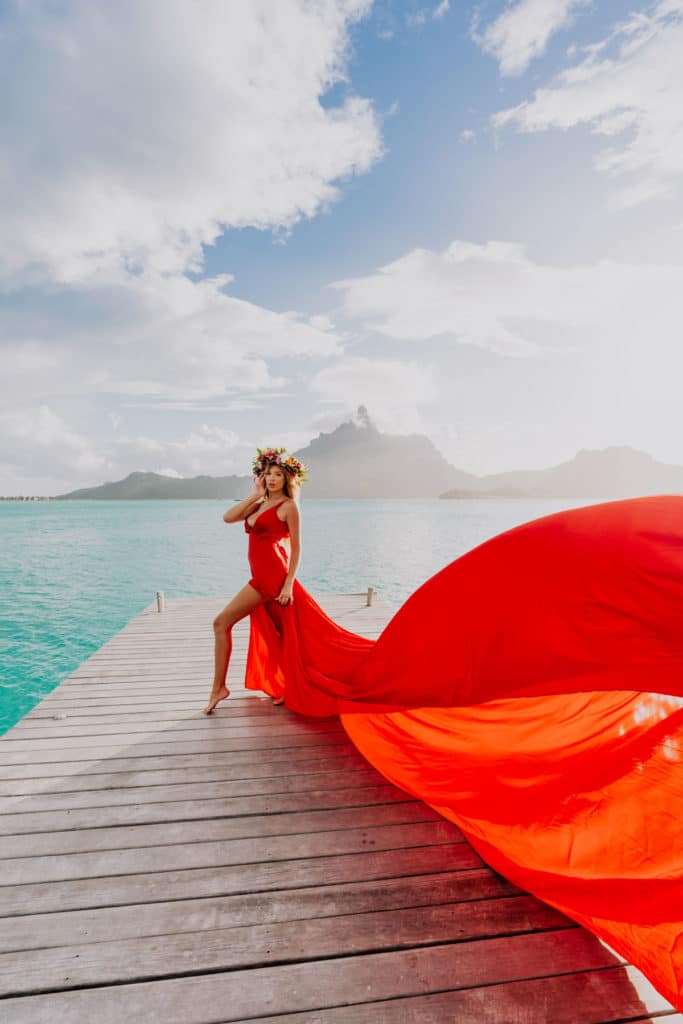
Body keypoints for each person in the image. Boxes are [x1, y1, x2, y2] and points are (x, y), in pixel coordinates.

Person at [203, 447, 304, 715]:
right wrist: (256, 494)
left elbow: (296, 549)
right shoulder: (259, 504)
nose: (272, 479)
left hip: (270, 578)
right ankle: (288, 686)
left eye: (278, 475)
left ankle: (218, 688)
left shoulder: (289, 507)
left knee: (221, 622)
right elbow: (228, 518)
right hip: (259, 576)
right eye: (268, 474)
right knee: (279, 635)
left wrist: (288, 584)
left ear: (287, 479)